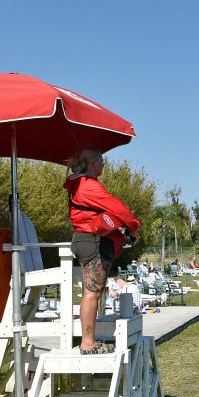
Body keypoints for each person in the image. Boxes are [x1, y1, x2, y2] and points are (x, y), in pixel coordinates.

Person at [65, 148, 140, 355]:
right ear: (93, 162)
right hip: (92, 241)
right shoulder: (88, 185)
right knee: (92, 293)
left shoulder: (78, 184)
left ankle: (90, 340)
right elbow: (117, 208)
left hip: (88, 239)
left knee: (94, 292)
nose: (104, 165)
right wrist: (134, 225)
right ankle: (88, 343)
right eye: (102, 161)